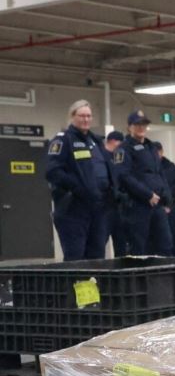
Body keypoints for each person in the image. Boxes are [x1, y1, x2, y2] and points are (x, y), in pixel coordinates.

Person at [44, 100, 114, 261]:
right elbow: (52, 171)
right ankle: (76, 287)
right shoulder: (63, 140)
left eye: (89, 116)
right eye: (82, 115)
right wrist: (78, 188)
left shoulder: (96, 141)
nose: (86, 119)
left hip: (98, 208)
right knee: (76, 257)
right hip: (74, 209)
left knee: (97, 257)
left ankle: (92, 287)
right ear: (72, 116)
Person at [113, 110, 172, 256]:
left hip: (157, 205)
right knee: (138, 248)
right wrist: (147, 194)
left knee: (165, 244)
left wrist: (167, 200)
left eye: (143, 124)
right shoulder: (124, 149)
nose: (141, 128)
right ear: (129, 127)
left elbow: (160, 174)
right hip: (138, 206)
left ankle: (162, 278)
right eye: (137, 125)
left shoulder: (151, 147)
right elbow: (124, 176)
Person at [102, 130, 131, 257]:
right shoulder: (102, 156)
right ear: (113, 141)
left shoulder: (118, 157)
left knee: (121, 242)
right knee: (100, 241)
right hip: (105, 206)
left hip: (119, 207)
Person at [154, 142, 175, 257]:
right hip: (155, 205)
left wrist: (168, 197)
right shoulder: (148, 167)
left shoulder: (170, 166)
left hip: (170, 205)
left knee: (174, 234)